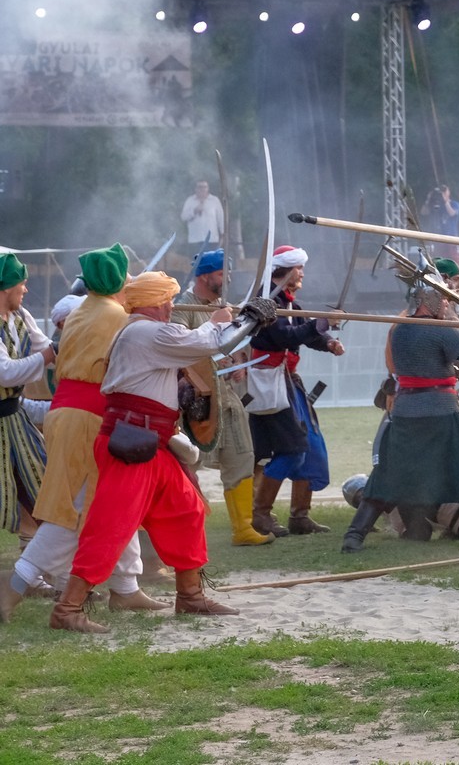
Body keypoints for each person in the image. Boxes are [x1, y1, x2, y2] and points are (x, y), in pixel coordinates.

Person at [49, 271, 271, 633]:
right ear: (152, 302)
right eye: (165, 299)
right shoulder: (146, 332)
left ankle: (190, 596)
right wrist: (238, 319)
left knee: (186, 509)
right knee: (111, 526)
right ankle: (67, 608)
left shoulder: (147, 332)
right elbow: (211, 342)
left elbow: (208, 344)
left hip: (150, 441)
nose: (170, 306)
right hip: (132, 443)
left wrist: (243, 321)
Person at [4, 246, 175, 621]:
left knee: (117, 498)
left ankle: (126, 586)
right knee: (76, 508)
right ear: (119, 279)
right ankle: (14, 585)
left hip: (69, 414)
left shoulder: (83, 310)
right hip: (90, 418)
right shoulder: (117, 317)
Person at [341, 276, 459, 553]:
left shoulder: (400, 330)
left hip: (405, 412)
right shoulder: (438, 331)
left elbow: (458, 363)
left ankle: (353, 537)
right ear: (429, 300)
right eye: (443, 299)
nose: (447, 304)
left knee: (387, 474)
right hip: (441, 411)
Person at [173, 248, 270, 546]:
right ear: (204, 276)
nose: (226, 278)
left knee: (242, 456)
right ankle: (183, 535)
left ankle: (243, 529)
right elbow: (179, 347)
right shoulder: (182, 307)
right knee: (187, 465)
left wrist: (238, 359)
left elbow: (233, 342)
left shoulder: (222, 305)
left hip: (226, 398)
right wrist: (213, 354)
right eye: (220, 273)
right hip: (195, 404)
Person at [247, 246, 344, 537]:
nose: (302, 273)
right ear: (285, 271)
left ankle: (300, 516)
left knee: (311, 446)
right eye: (298, 268)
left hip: (289, 382)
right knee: (292, 450)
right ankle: (260, 515)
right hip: (270, 385)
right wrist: (322, 323)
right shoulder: (266, 302)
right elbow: (284, 337)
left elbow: (305, 332)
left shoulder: (289, 304)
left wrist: (328, 342)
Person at [0, 253, 50, 545]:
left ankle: (34, 562)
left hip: (15, 419)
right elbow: (5, 373)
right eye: (22, 283)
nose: (26, 289)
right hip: (4, 418)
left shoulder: (20, 315)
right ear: (7, 287)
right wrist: (48, 356)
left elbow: (46, 347)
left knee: (39, 488)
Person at [180, 180, 225, 247]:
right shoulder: (190, 201)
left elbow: (220, 218)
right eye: (200, 187)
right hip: (195, 240)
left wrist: (223, 234)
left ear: (208, 188)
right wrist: (194, 211)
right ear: (196, 189)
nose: (202, 189)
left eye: (205, 187)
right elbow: (183, 217)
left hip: (211, 240)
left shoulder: (214, 200)